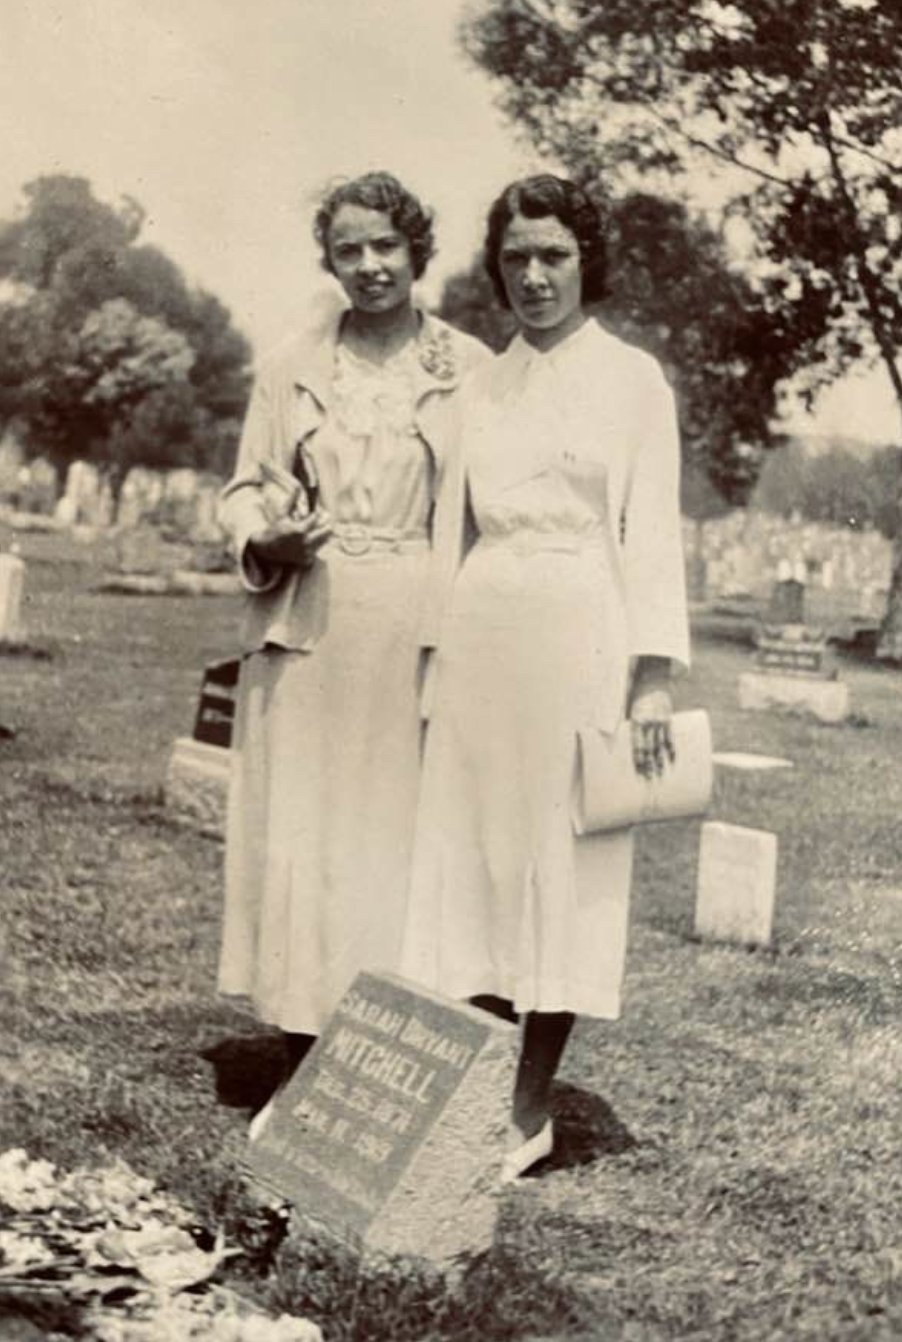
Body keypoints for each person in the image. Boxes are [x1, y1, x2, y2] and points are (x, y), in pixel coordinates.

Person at [400, 174, 690, 1182]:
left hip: (580, 630)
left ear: (585, 262)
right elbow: (450, 536)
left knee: (557, 862)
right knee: (474, 854)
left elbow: (648, 532)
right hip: (483, 628)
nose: (532, 276)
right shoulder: (476, 387)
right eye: (515, 257)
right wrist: (432, 663)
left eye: (552, 255)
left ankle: (527, 1109)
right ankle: (474, 1086)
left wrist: (649, 678)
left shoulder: (631, 380)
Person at [216, 171, 488, 1107]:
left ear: (417, 249)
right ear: (328, 261)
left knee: (396, 839)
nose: (369, 266)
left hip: (417, 622)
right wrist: (267, 537)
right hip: (313, 618)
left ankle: (386, 1047)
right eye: (347, 251)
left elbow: (488, 508)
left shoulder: (469, 368)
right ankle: (303, 1049)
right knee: (308, 831)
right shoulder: (292, 363)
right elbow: (247, 485)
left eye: (385, 247)